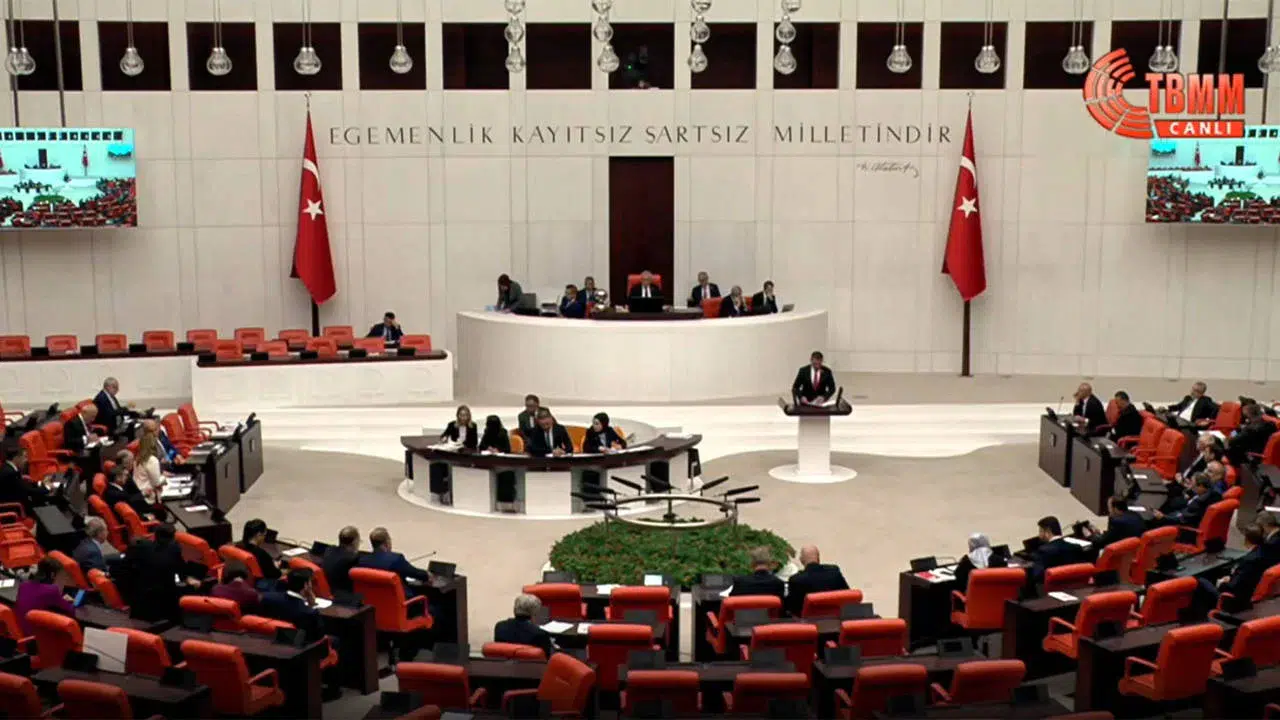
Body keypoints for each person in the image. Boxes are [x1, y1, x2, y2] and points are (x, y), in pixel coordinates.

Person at [121, 524, 201, 621]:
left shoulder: (141, 546)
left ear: (155, 535)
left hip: (139, 601)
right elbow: (182, 573)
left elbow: (126, 565)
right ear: (173, 537)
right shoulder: (174, 550)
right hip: (163, 602)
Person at [259, 568, 325, 640]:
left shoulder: (266, 597)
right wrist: (312, 605)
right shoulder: (309, 613)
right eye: (310, 582)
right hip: (299, 643)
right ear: (306, 585)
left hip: (268, 638)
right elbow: (319, 636)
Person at [784, 545, 849, 616]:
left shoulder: (796, 580)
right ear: (818, 558)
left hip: (808, 622)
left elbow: (792, 609)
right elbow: (847, 596)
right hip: (836, 620)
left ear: (801, 560)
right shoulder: (834, 572)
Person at [15, 557, 75, 633]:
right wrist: (70, 602)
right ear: (53, 575)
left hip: (20, 631)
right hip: (36, 635)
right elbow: (71, 611)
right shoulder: (52, 590)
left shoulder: (23, 585)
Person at [359, 527, 431, 588]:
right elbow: (417, 574)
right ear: (386, 543)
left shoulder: (363, 561)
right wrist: (428, 574)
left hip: (373, 599)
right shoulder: (395, 559)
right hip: (400, 599)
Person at [1153, 475, 1221, 529]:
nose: (1191, 487)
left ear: (1201, 486)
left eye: (1193, 486)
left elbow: (1182, 520)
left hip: (1183, 525)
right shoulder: (1209, 491)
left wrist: (1163, 517)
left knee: (1154, 520)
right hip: (1184, 512)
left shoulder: (1198, 502)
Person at [1030, 516, 1081, 585]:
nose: (1039, 535)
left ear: (1047, 532)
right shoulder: (1076, 547)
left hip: (1053, 589)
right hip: (1075, 587)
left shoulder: (1043, 551)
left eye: (1040, 531)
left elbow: (1037, 576)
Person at [0, 448, 52, 512]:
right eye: (25, 457)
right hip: (16, 508)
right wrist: (47, 487)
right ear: (16, 458)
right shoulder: (10, 473)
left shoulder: (7, 467)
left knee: (44, 500)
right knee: (47, 504)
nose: (26, 460)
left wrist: (40, 483)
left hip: (18, 501)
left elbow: (21, 485)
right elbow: (27, 491)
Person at [1227, 402, 1277, 467]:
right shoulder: (1270, 424)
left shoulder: (1250, 429)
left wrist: (1233, 433)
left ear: (1249, 416)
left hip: (1252, 455)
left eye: (1245, 416)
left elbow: (1232, 441)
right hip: (1264, 450)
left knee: (1229, 447)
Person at [237, 519, 283, 585]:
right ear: (258, 535)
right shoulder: (261, 554)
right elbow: (276, 574)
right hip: (261, 584)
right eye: (264, 535)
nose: (264, 538)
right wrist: (276, 566)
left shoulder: (238, 546)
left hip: (243, 579)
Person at [322, 526, 361, 594]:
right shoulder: (351, 559)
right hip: (343, 595)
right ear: (354, 542)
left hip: (329, 589)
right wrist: (355, 552)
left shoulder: (329, 550)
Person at [132, 432, 167, 506]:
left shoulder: (137, 458)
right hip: (148, 497)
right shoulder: (152, 459)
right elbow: (156, 483)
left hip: (139, 493)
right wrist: (164, 478)